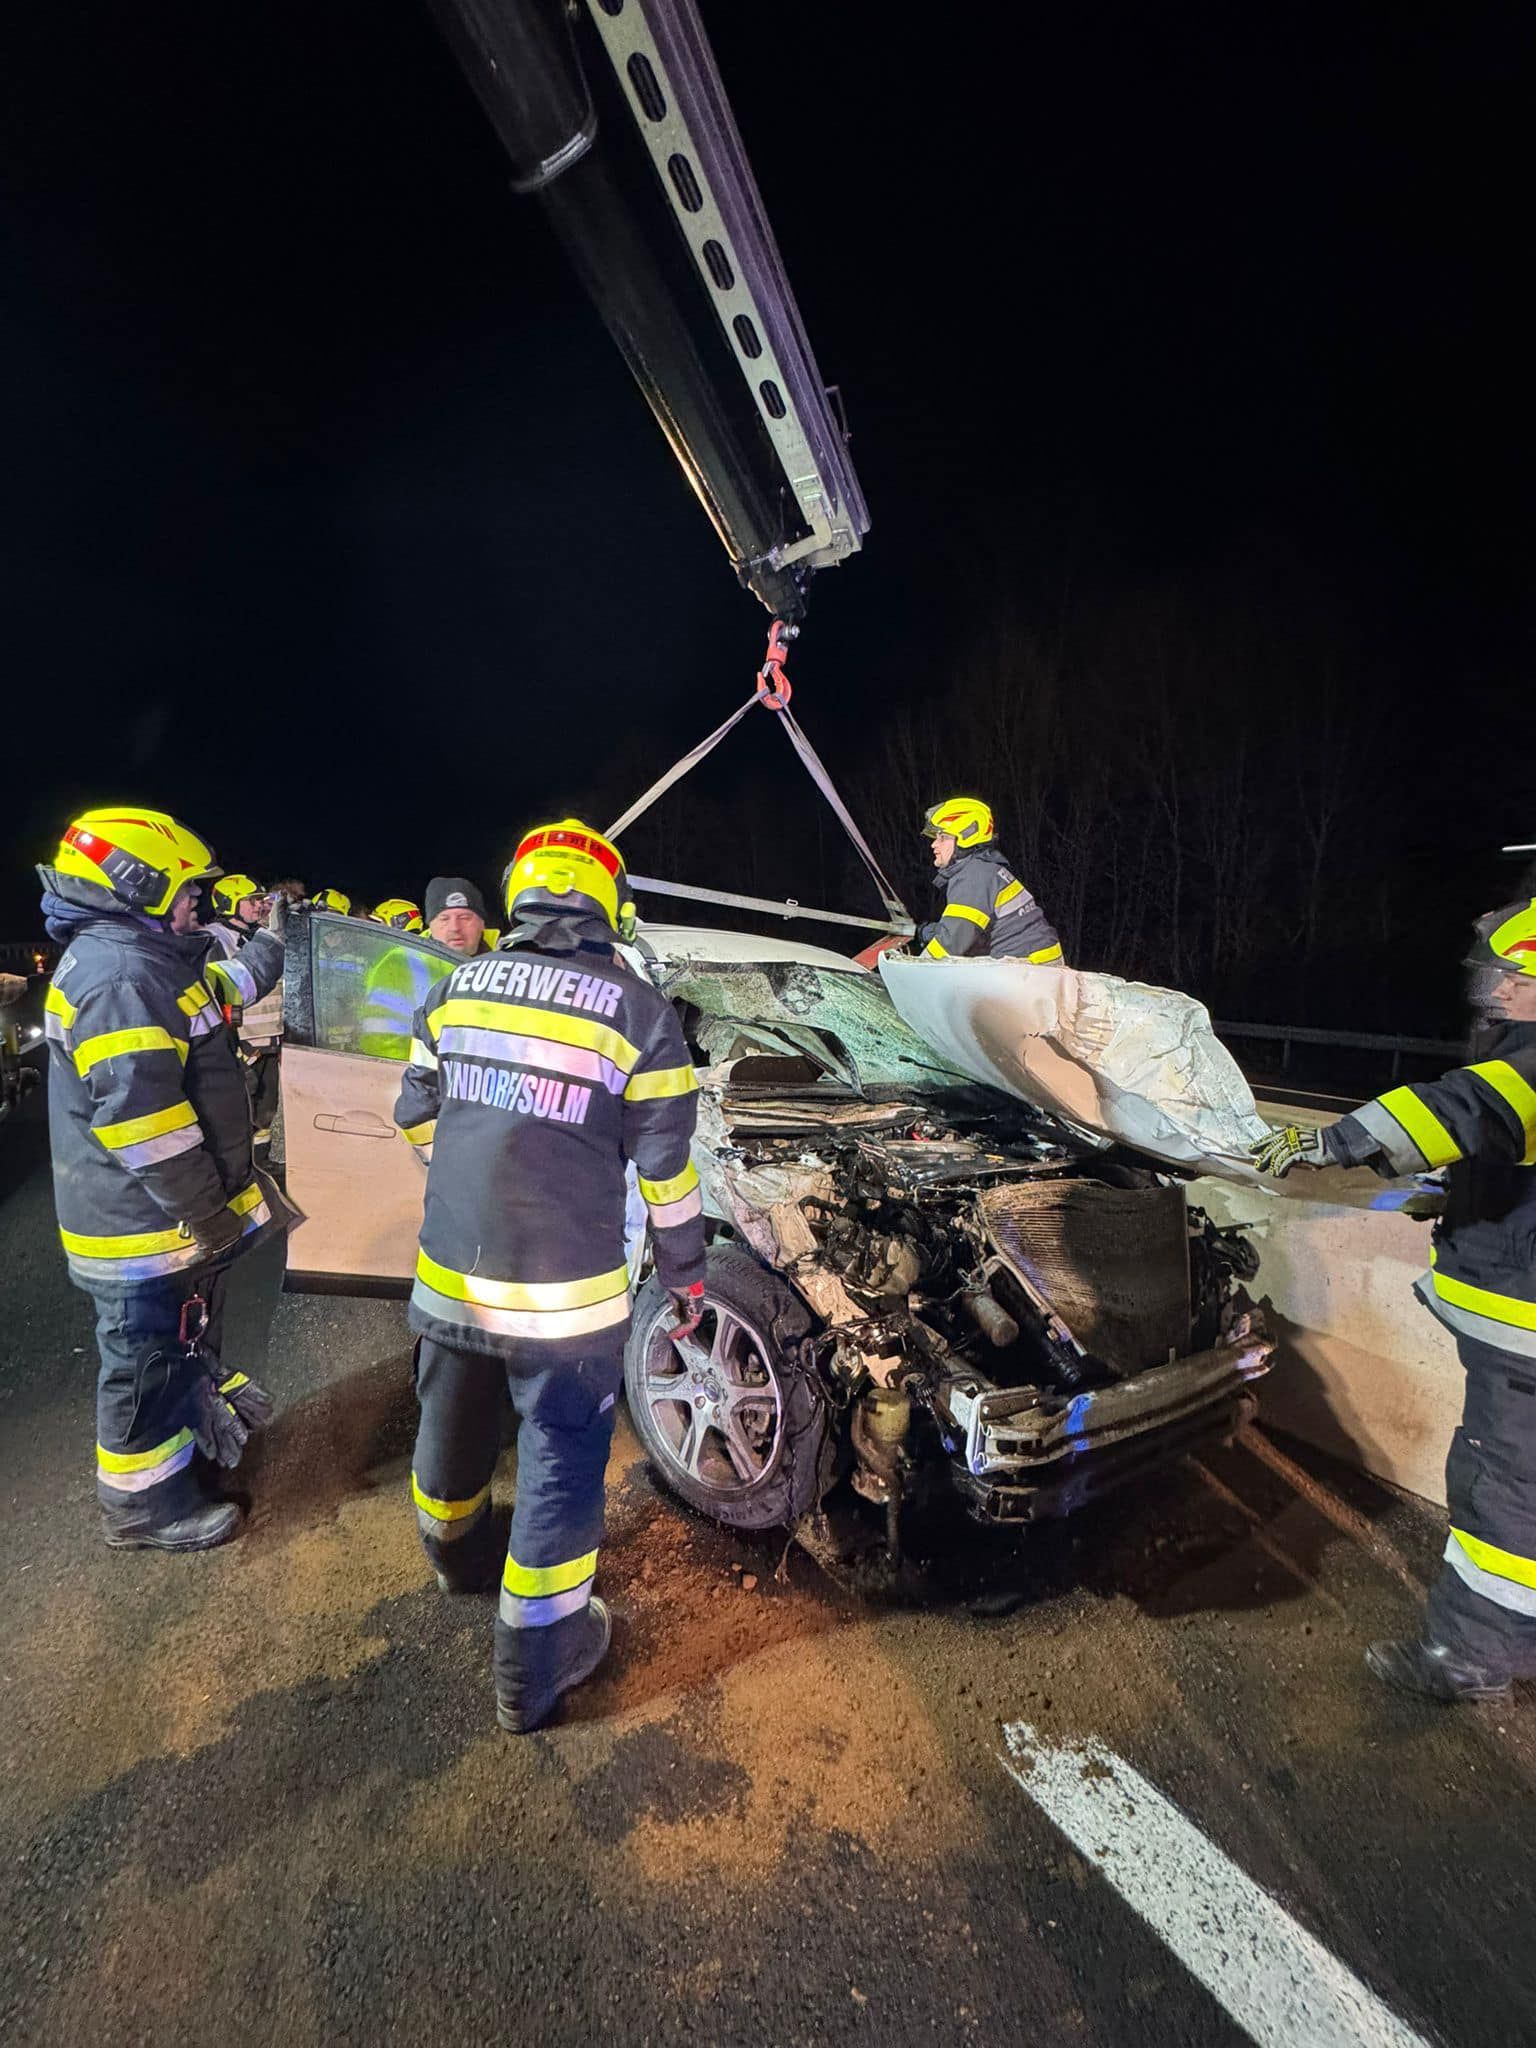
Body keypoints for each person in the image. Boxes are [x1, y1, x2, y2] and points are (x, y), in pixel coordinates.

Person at [394, 819, 706, 1732]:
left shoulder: (457, 988)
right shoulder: (640, 1014)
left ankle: (456, 1560)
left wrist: (469, 1186)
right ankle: (536, 1666)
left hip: (453, 1275)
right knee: (561, 1457)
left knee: (449, 1422)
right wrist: (683, 1281)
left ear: (522, 892)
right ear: (609, 904)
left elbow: (414, 1112)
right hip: (565, 1298)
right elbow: (669, 1178)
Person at [1252, 897, 1536, 1701]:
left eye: (1515, 977)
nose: (1499, 991)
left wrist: (1333, 1141)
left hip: (1525, 1348)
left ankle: (1469, 1659)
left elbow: (1466, 1107)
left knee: (1504, 1504)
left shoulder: (1531, 1065)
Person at [38, 808, 292, 1551]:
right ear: (134, 884)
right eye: (185, 891)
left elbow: (229, 984)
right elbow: (148, 1128)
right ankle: (144, 1509)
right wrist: (210, 1216)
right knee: (144, 1363)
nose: (198, 906)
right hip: (140, 1228)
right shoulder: (121, 977)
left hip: (151, 1222)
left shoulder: (147, 962)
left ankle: (182, 1467)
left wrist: (275, 940)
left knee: (171, 1351)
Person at [916, 797, 1063, 963]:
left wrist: (915, 969)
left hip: (1026, 969)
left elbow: (952, 942)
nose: (934, 844)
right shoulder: (987, 870)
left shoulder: (973, 877)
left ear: (965, 836)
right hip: (1041, 962)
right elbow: (977, 935)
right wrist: (933, 931)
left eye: (942, 837)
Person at [204, 874, 284, 1145]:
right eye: (252, 901)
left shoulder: (256, 937)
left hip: (269, 1041)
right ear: (229, 902)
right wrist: (232, 1042)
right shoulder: (213, 939)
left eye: (262, 900)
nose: (261, 906)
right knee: (240, 1113)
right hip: (243, 1044)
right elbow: (220, 995)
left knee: (266, 1115)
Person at [425, 876, 498, 956]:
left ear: (482, 924)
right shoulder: (412, 960)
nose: (455, 928)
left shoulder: (506, 956)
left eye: (464, 918)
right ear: (430, 926)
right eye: (444, 919)